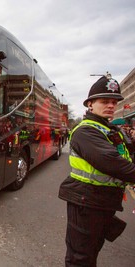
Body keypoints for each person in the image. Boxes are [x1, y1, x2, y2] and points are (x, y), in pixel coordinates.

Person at [58, 75, 135, 266]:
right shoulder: (86, 131)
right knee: (80, 258)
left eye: (113, 102)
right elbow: (113, 163)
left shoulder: (109, 129)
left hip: (101, 201)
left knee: (91, 251)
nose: (111, 105)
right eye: (104, 101)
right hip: (87, 203)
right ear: (90, 104)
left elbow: (128, 154)